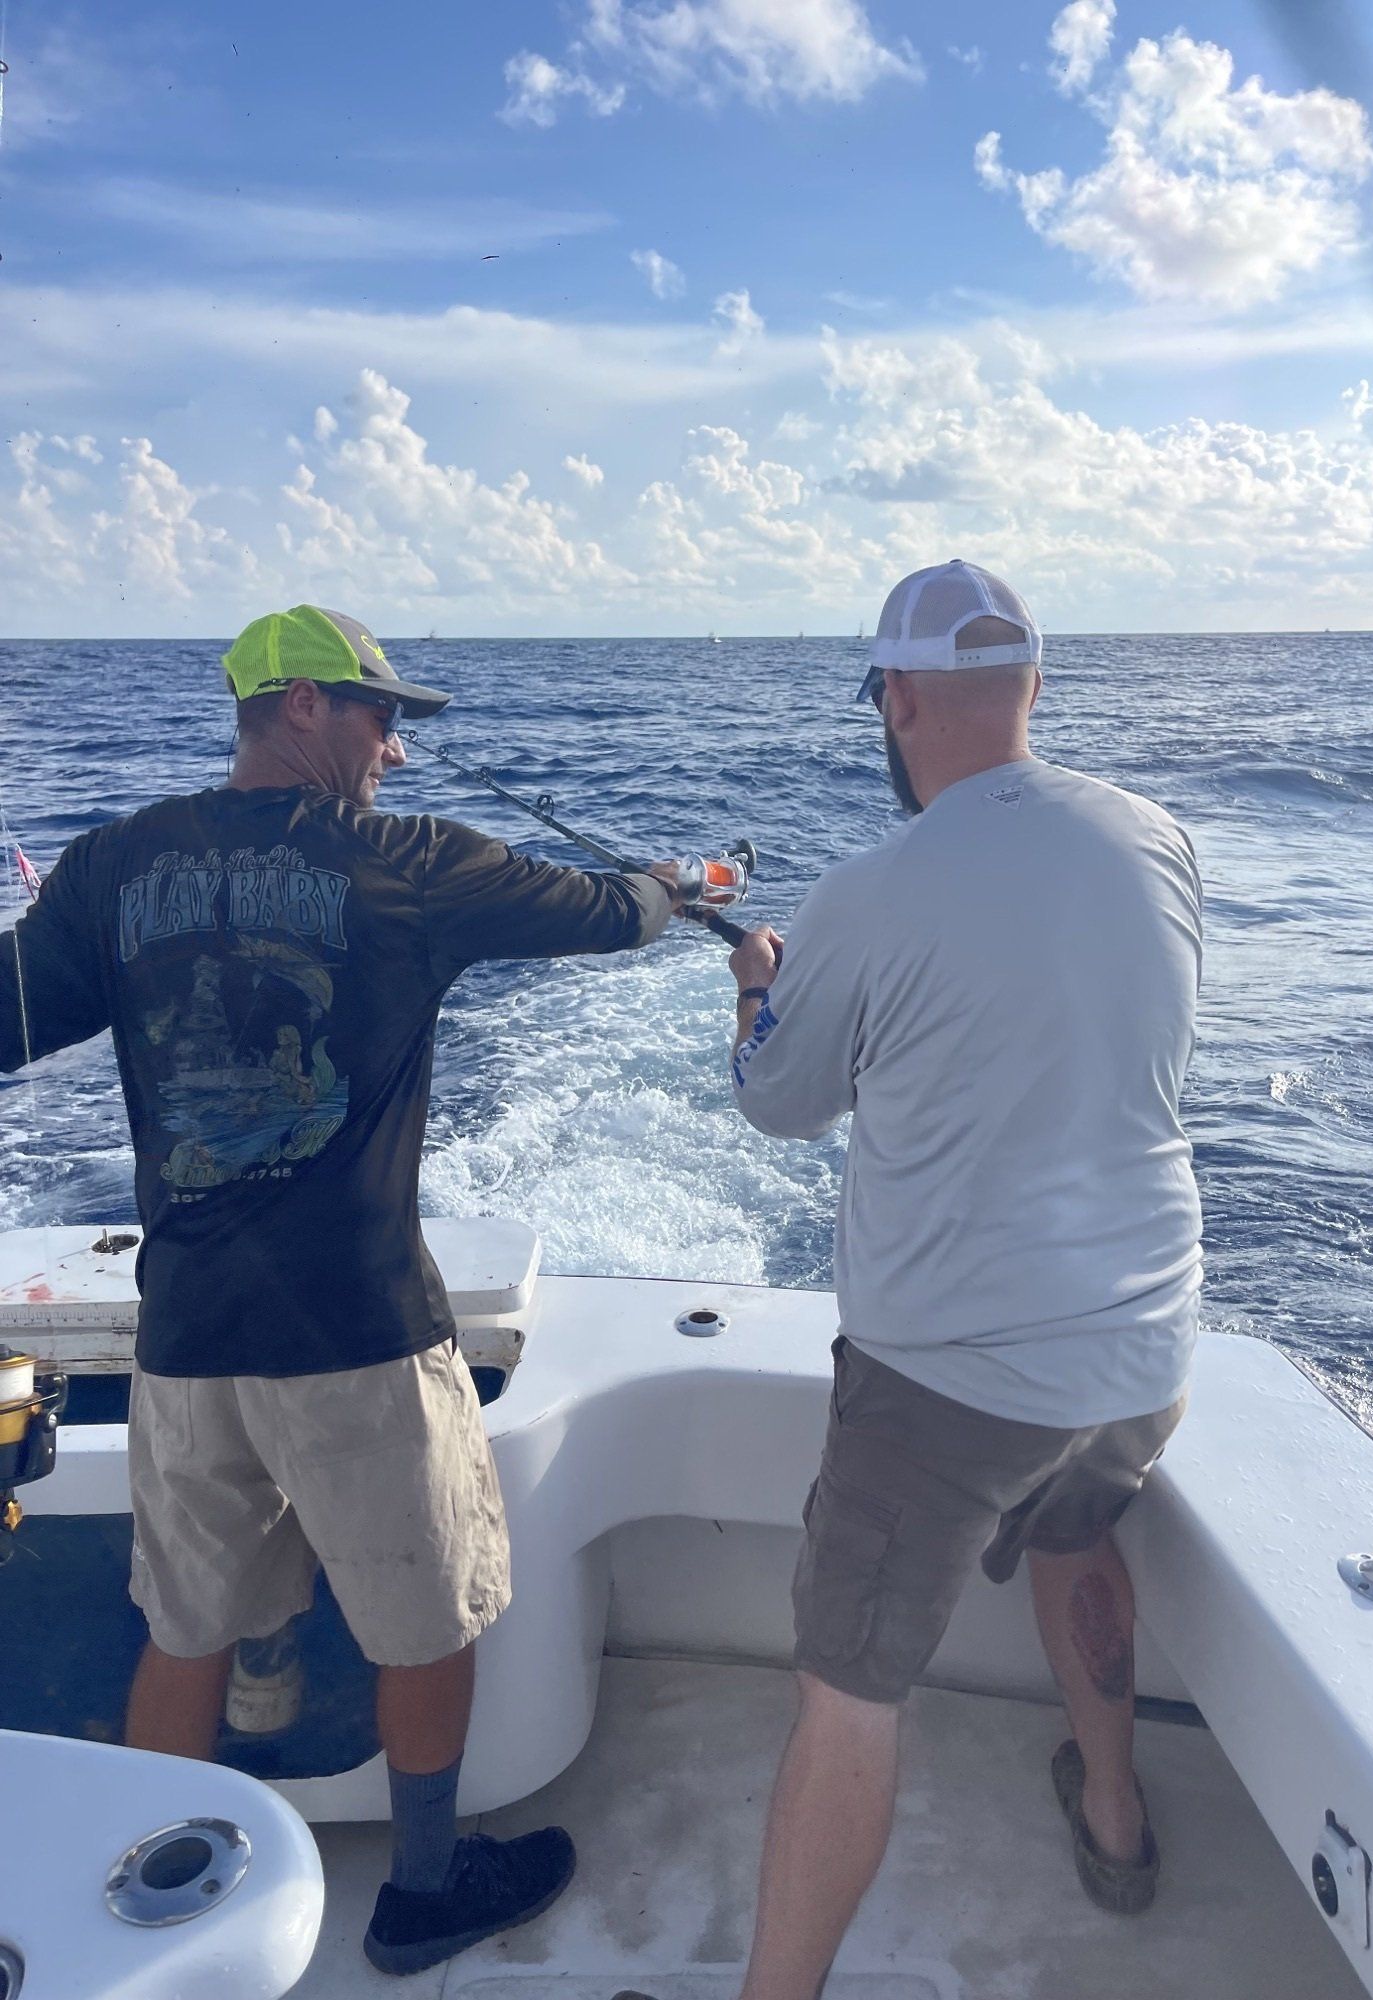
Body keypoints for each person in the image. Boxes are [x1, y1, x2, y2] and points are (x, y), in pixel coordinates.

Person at [0, 604, 685, 1978]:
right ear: (302, 707)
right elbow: (612, 913)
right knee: (428, 1624)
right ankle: (424, 1892)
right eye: (382, 718)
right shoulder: (412, 865)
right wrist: (679, 883)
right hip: (360, 1335)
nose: (397, 751)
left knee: (181, 1625)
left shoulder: (113, 863)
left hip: (187, 1340)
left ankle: (116, 1903)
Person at [714, 561, 1203, 2000]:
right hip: (1141, 1349)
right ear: (1036, 689)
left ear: (901, 698)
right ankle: (1114, 1819)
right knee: (1076, 1539)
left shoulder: (872, 888)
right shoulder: (1158, 838)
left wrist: (758, 987)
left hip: (947, 1386)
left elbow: (777, 1102)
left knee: (850, 1691)